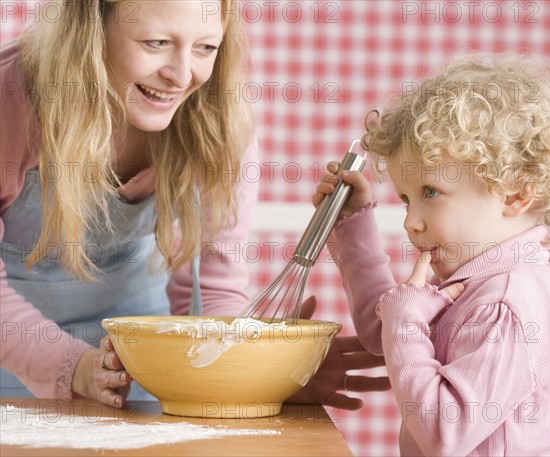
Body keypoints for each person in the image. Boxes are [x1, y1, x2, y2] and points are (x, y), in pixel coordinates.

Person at [0, 0, 390, 410]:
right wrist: (73, 366)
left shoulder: (217, 121)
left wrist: (255, 372)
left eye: (206, 48)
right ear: (90, 28)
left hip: (134, 353)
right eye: (156, 42)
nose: (183, 76)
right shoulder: (12, 101)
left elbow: (212, 292)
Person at [314, 53, 550, 456]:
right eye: (406, 199)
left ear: (514, 194)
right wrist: (352, 222)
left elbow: (444, 435)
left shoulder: (505, 302)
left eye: (431, 193)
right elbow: (385, 331)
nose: (411, 221)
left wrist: (407, 317)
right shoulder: (476, 276)